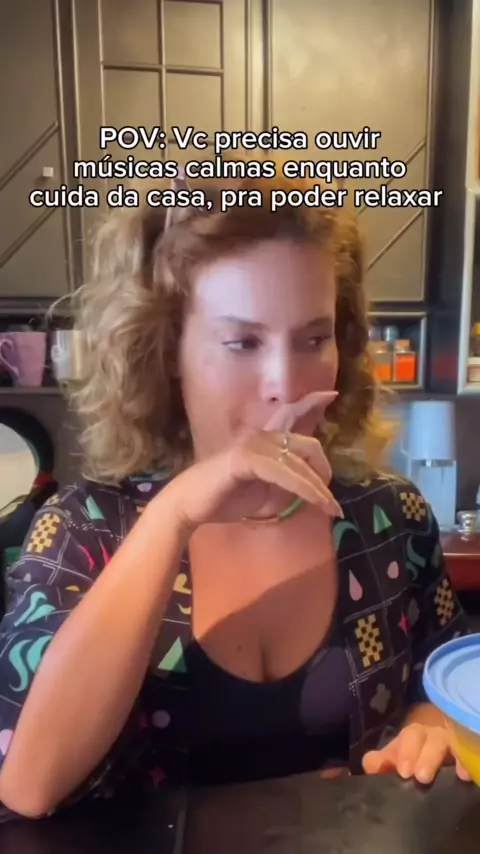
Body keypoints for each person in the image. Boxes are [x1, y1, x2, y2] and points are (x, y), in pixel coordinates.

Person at [0, 173, 470, 821]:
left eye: (313, 339)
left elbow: (444, 685)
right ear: (169, 350)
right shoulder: (84, 529)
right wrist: (174, 515)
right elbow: (27, 785)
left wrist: (431, 728)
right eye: (242, 342)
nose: (285, 382)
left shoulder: (391, 516)